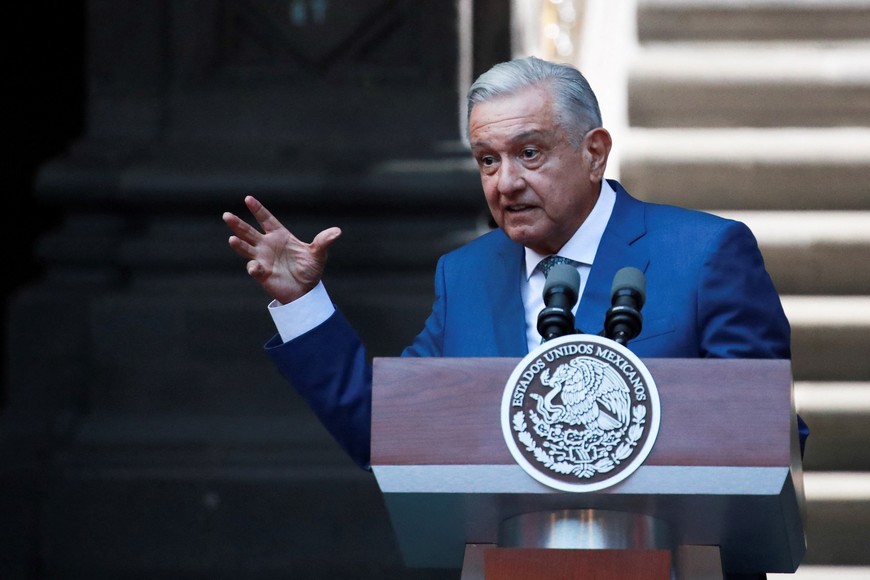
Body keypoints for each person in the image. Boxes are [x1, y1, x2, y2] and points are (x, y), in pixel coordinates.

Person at [223, 55, 808, 475]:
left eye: (529, 153)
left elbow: (762, 435)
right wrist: (302, 303)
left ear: (594, 152)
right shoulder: (467, 276)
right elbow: (387, 431)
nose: (506, 183)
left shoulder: (704, 254)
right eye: (487, 160)